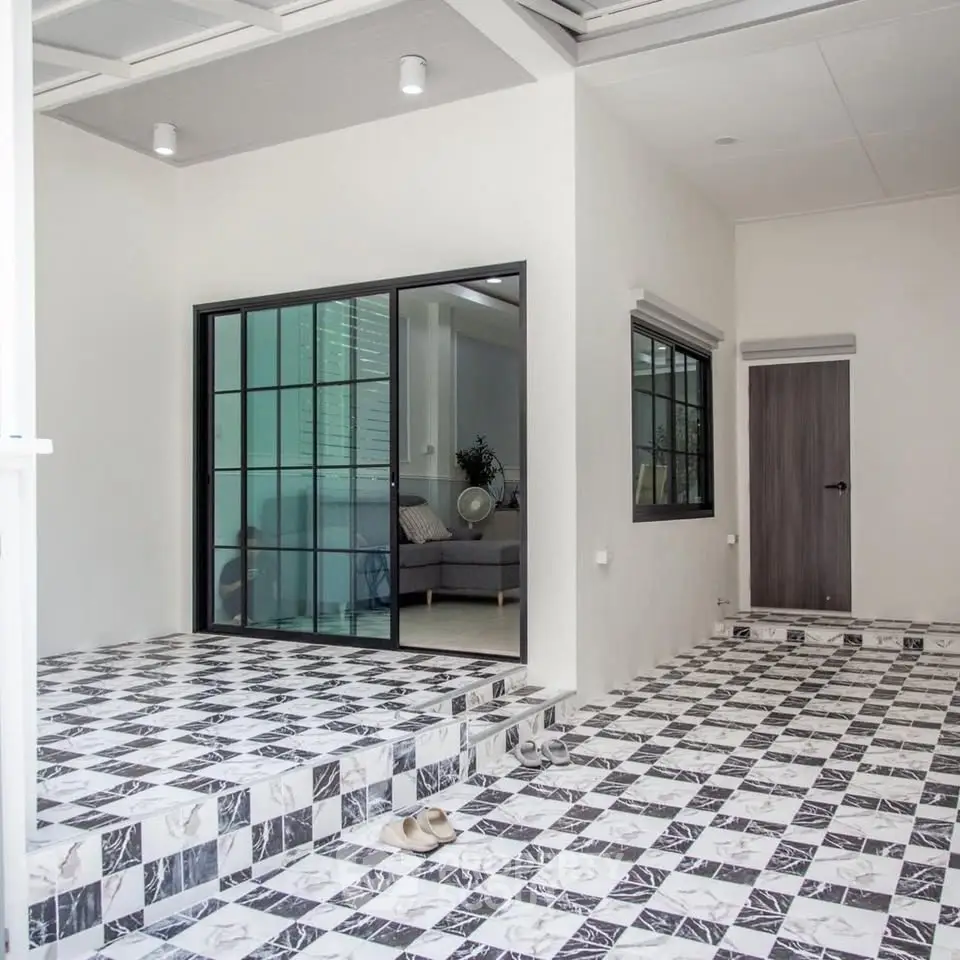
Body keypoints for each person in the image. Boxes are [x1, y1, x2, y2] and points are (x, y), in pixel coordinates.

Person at [218, 526, 277, 625]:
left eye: (256, 547)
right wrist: (243, 580)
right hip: (239, 611)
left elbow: (276, 587)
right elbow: (223, 593)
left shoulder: (268, 562)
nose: (253, 551)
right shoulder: (231, 566)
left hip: (264, 610)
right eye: (249, 548)